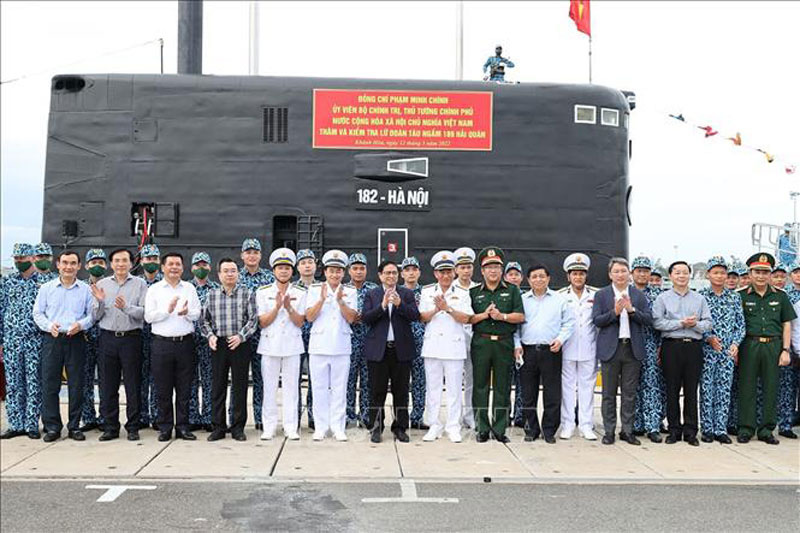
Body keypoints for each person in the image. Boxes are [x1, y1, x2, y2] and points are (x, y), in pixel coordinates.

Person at [33, 250, 95, 442]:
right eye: (65, 263)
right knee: (50, 384)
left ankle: (75, 426)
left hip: (75, 339)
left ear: (79, 266)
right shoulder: (47, 288)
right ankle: (52, 426)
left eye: (73, 263)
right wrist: (49, 326)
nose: (69, 267)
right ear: (58, 264)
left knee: (77, 385)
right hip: (52, 339)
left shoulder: (85, 289)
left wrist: (81, 325)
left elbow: (91, 315)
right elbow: (38, 313)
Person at [592, 257, 654, 446]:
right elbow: (597, 320)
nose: (620, 275)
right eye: (616, 271)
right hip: (611, 349)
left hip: (632, 349)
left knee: (629, 393)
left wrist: (631, 310)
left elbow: (648, 319)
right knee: (608, 394)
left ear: (629, 274)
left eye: (623, 271)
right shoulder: (602, 295)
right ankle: (609, 431)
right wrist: (615, 313)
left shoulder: (637, 295)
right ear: (610, 274)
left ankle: (627, 431)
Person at [737, 253, 795, 444]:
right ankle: (746, 428)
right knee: (747, 387)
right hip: (750, 345)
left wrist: (785, 350)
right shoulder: (741, 295)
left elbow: (787, 324)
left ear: (770, 274)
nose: (761, 276)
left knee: (771, 387)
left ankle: (766, 430)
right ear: (750, 273)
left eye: (765, 272)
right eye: (757, 272)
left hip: (773, 345)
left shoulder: (780, 296)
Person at [653, 261, 712, 446]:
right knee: (671, 390)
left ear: (689, 275)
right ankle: (673, 430)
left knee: (691, 390)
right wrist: (681, 323)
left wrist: (695, 325)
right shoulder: (662, 298)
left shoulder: (699, 298)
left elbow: (708, 323)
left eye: (685, 273)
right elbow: (657, 323)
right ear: (670, 276)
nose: (681, 276)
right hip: (672, 346)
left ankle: (691, 431)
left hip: (693, 347)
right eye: (677, 272)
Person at [90, 248, 148, 441]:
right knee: (108, 385)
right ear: (111, 263)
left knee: (133, 385)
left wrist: (126, 308)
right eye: (117, 260)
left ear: (131, 264)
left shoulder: (140, 284)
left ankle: (133, 426)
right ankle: (110, 427)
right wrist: (98, 302)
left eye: (124, 260)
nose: (121, 264)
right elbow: (95, 317)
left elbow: (144, 313)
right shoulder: (102, 284)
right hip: (108, 338)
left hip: (131, 338)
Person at [469, 247, 525, 443]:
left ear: (501, 270)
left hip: (503, 343)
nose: (493, 271)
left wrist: (502, 316)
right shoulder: (474, 292)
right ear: (482, 271)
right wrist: (484, 315)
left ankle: (500, 428)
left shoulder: (512, 291)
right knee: (480, 387)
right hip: (481, 342)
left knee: (502, 387)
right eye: (488, 267)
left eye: (496, 267)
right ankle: (482, 428)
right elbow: (469, 319)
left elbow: (520, 316)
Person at [361, 260, 420, 443]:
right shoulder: (372, 294)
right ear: (380, 275)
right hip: (379, 350)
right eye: (387, 273)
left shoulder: (407, 293)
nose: (391, 276)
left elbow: (415, 316)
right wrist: (383, 306)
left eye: (394, 273)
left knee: (401, 391)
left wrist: (400, 304)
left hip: (401, 350)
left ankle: (400, 427)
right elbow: (366, 318)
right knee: (377, 391)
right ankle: (376, 427)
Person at [144, 252, 202, 441]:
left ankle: (183, 426)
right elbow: (149, 317)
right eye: (170, 264)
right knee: (163, 389)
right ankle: (165, 427)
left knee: (185, 388)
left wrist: (186, 313)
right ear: (163, 267)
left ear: (183, 268)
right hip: (161, 343)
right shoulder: (154, 289)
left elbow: (197, 313)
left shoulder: (189, 288)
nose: (174, 267)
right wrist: (166, 311)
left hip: (184, 343)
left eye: (178, 264)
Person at [515, 264, 575, 443]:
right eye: (534, 276)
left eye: (542, 276)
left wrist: (561, 339)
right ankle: (530, 430)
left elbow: (568, 323)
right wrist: (517, 344)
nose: (538, 279)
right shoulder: (522, 300)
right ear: (528, 280)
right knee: (528, 393)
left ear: (548, 278)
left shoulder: (559, 299)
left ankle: (549, 430)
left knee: (552, 393)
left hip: (551, 350)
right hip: (527, 350)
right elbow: (516, 327)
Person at [201, 257, 258, 442]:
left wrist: (241, 336)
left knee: (239, 387)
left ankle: (238, 427)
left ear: (238, 273)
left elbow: (253, 320)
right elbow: (203, 321)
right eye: (226, 271)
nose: (230, 274)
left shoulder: (247, 293)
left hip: (240, 344)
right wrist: (210, 336)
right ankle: (218, 427)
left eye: (233, 270)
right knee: (217, 386)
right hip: (219, 344)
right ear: (219, 275)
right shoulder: (211, 295)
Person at [418, 251, 473, 443]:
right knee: (432, 389)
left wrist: (447, 308)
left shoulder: (463, 293)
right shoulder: (427, 291)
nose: (446, 275)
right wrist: (436, 308)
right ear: (435, 274)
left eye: (449, 271)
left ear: (454, 272)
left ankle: (453, 426)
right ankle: (434, 425)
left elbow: (467, 318)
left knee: (454, 389)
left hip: (454, 347)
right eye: (442, 272)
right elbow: (422, 317)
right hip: (432, 347)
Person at [304, 250, 358, 441]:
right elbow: (309, 317)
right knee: (318, 388)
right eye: (331, 271)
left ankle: (338, 426)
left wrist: (340, 300)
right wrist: (321, 299)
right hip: (319, 346)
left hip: (341, 346)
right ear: (325, 272)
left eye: (338, 271)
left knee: (339, 388)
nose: (335, 274)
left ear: (343, 273)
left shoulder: (350, 291)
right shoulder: (314, 289)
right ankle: (320, 427)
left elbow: (352, 318)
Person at [256, 249, 307, 440]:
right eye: (280, 268)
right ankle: (269, 427)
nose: (283, 271)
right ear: (274, 270)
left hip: (292, 345)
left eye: (287, 268)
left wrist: (288, 307)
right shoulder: (263, 292)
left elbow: (300, 321)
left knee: (291, 388)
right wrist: (277, 307)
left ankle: (291, 427)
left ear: (291, 271)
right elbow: (262, 321)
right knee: (269, 388)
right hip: (269, 345)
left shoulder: (300, 292)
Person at [698, 256, 745, 444]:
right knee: (707, 389)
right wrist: (707, 338)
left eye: (722, 272)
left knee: (724, 390)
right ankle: (707, 429)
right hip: (707, 351)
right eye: (715, 272)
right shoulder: (701, 296)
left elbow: (740, 324)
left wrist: (735, 343)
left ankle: (720, 428)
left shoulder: (734, 297)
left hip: (727, 352)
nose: (719, 276)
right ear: (708, 274)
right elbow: (696, 323)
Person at [0, 244, 44, 440]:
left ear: (33, 258)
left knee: (34, 382)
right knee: (13, 384)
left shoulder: (44, 282)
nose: (19, 261)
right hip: (11, 340)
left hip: (35, 340)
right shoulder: (7, 282)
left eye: (23, 258)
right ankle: (15, 424)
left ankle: (32, 424)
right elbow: (1, 310)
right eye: (16, 258)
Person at [557, 253, 599, 441]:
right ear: (568, 276)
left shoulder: (596, 295)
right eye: (574, 274)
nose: (578, 277)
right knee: (567, 387)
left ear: (586, 275)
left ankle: (586, 425)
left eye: (581, 274)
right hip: (567, 348)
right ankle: (567, 424)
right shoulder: (560, 296)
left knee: (587, 388)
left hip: (589, 347)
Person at [236, 238, 275, 431]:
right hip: (240, 336)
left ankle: (261, 419)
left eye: (255, 252)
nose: (251, 256)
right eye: (248, 252)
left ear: (260, 255)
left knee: (262, 379)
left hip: (263, 334)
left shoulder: (269, 277)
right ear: (242, 255)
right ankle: (236, 419)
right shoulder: (235, 276)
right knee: (238, 380)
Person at [630, 256, 666, 442]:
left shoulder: (659, 295)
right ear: (632, 273)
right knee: (632, 386)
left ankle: (653, 425)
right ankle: (636, 424)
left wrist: (661, 347)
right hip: (629, 345)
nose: (642, 274)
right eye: (639, 270)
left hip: (651, 344)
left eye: (645, 271)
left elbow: (660, 322)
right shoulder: (625, 293)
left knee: (652, 385)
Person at [345, 253, 378, 427]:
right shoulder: (342, 289)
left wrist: (364, 317)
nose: (358, 272)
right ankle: (349, 417)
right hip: (347, 342)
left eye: (362, 268)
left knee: (367, 381)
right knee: (348, 381)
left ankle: (366, 416)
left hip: (369, 341)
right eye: (355, 268)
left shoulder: (373, 290)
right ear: (349, 270)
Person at [188, 252, 219, 432]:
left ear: (209, 267)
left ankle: (209, 417)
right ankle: (192, 417)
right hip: (189, 340)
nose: (201, 268)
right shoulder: (185, 288)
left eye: (204, 265)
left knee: (209, 380)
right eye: (197, 265)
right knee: (190, 380)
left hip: (209, 341)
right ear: (192, 268)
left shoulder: (215, 288)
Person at [80, 248, 108, 433]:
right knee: (85, 379)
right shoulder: (81, 287)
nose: (97, 266)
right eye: (93, 262)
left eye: (100, 262)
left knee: (107, 381)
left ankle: (105, 417)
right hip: (85, 339)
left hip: (106, 339)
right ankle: (88, 417)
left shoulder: (111, 285)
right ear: (87, 265)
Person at [454, 247, 480, 430]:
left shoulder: (479, 288)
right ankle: (453, 418)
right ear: (456, 269)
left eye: (469, 266)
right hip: (454, 340)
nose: (466, 270)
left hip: (474, 339)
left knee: (472, 380)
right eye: (462, 267)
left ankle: (470, 416)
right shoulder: (449, 287)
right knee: (454, 382)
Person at [400, 256, 427, 430]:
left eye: (414, 269)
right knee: (401, 382)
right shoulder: (396, 292)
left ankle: (417, 417)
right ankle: (401, 418)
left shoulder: (427, 292)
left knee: (420, 382)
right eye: (407, 270)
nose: (411, 273)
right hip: (401, 342)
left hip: (422, 343)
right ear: (402, 273)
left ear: (419, 272)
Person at [138, 243, 163, 429]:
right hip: (138, 337)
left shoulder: (166, 283)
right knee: (139, 378)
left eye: (154, 259)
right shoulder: (136, 283)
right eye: (148, 259)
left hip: (159, 337)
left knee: (157, 378)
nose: (151, 262)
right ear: (141, 261)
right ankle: (141, 415)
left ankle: (156, 415)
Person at [295, 249, 317, 429]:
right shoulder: (292, 288)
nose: (307, 266)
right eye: (303, 263)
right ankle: (293, 418)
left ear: (316, 266)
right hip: (296, 338)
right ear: (298, 267)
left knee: (315, 379)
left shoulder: (322, 288)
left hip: (317, 338)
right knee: (293, 379)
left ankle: (313, 417)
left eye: (310, 262)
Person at [504, 261, 525, 429]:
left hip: (523, 346)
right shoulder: (502, 295)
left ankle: (520, 415)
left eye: (516, 274)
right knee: (504, 383)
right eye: (510, 274)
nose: (513, 277)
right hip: (505, 344)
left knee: (522, 383)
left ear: (521, 277)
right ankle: (504, 415)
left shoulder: (526, 296)